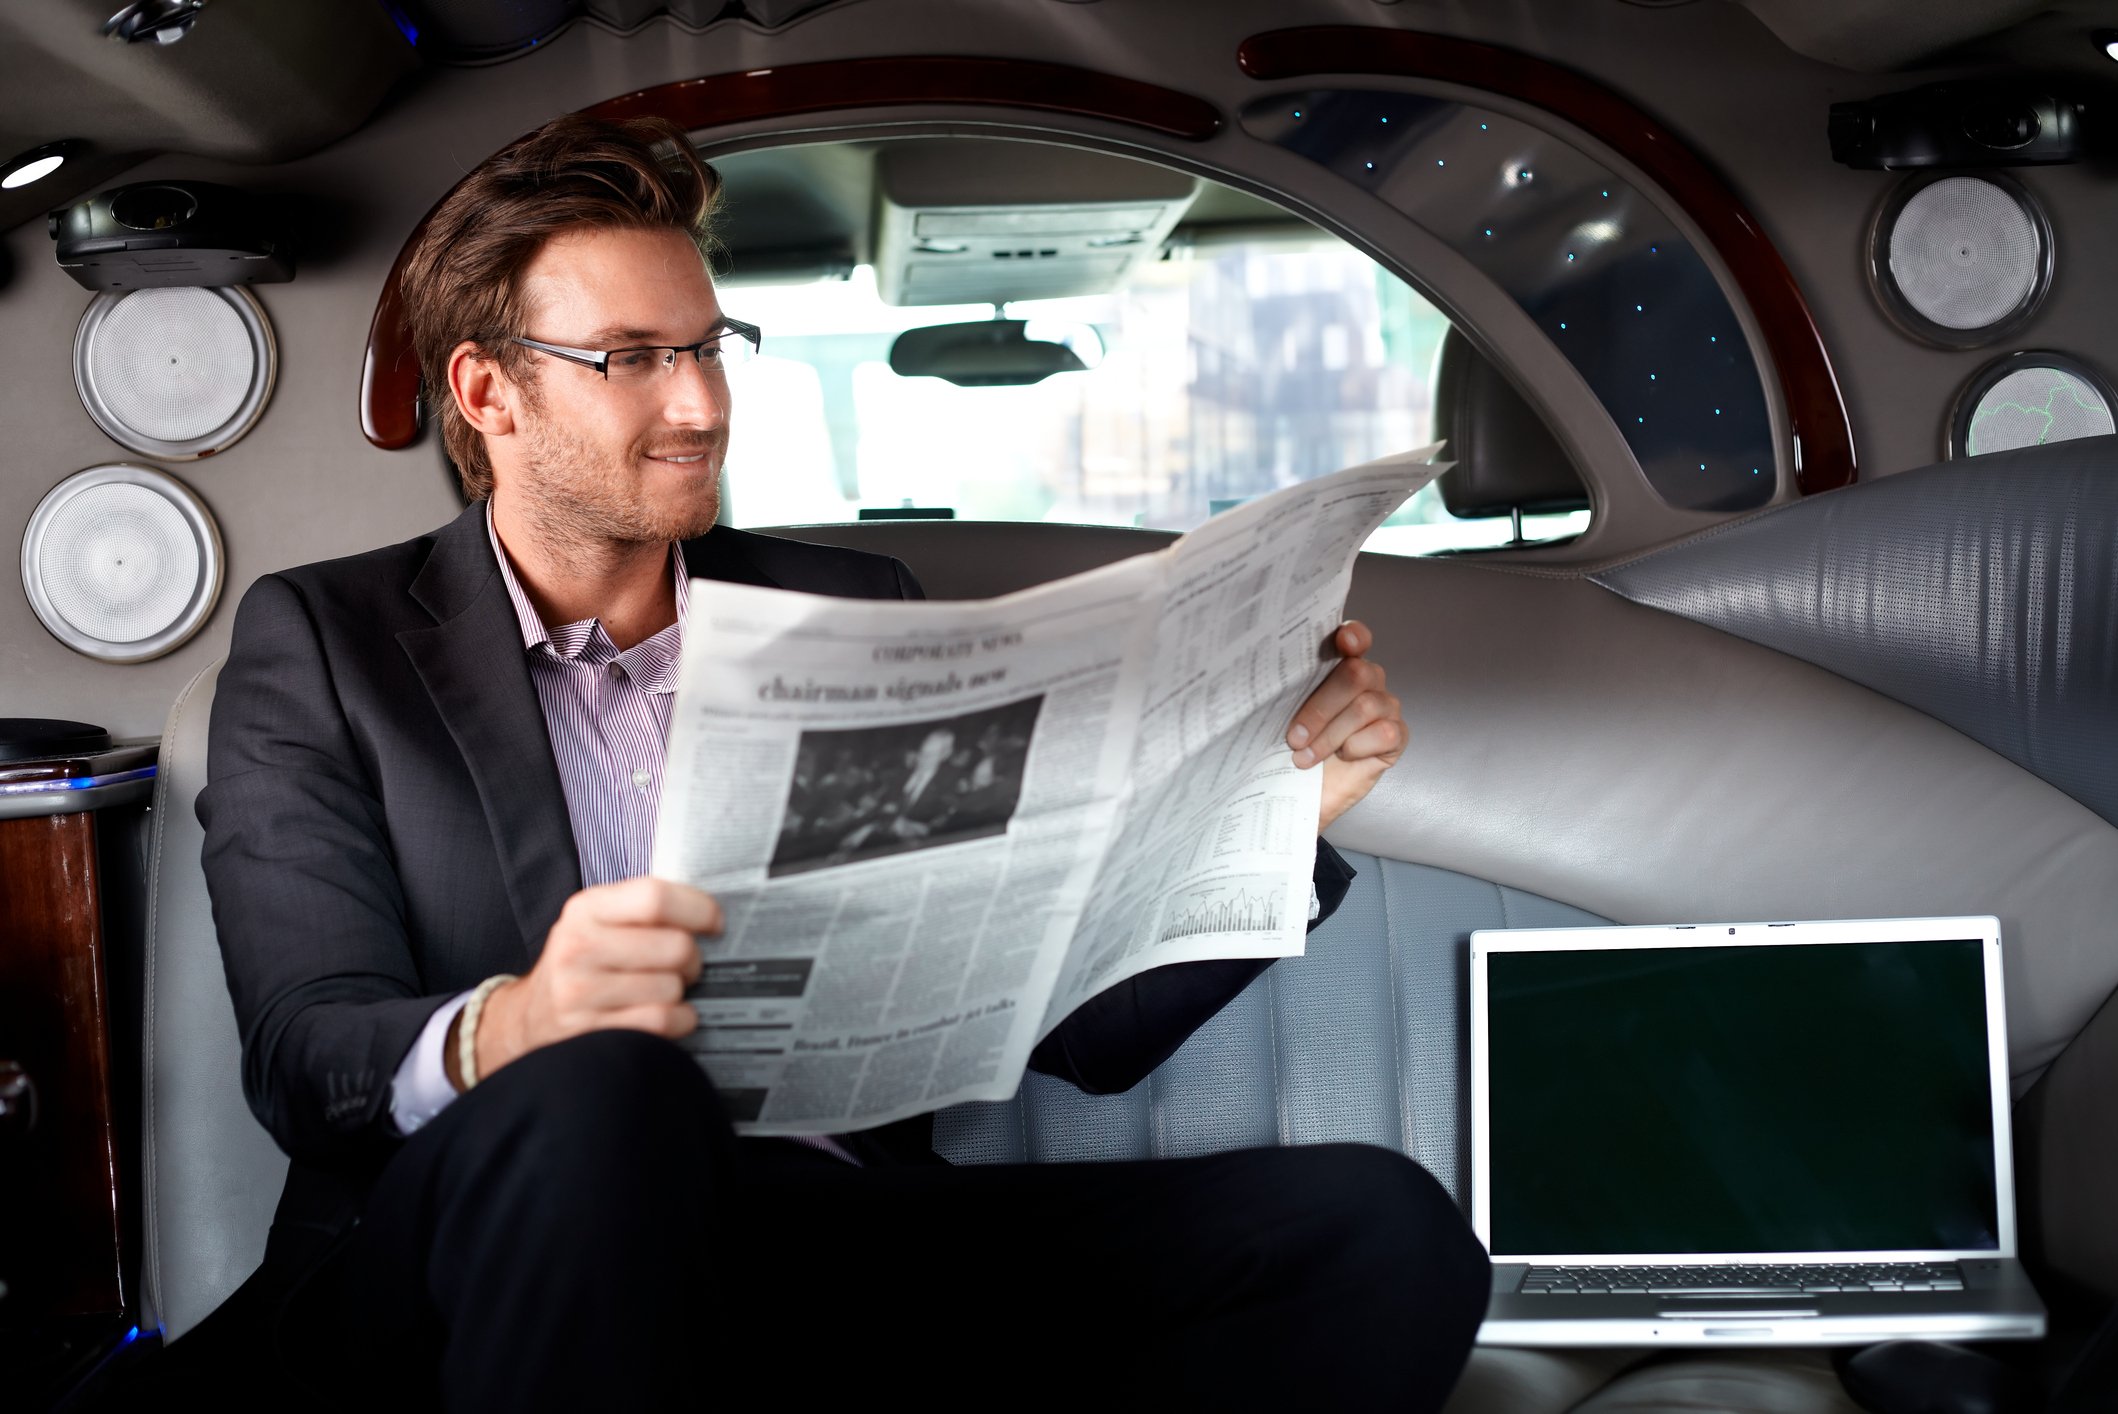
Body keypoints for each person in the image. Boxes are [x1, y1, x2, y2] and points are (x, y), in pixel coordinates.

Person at [194, 112, 1489, 1410]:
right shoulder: (325, 643)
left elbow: (1078, 1027)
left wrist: (1277, 813)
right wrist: (516, 1025)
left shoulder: (857, 605)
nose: (699, 404)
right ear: (488, 393)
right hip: (489, 1252)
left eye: (706, 346)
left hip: (822, 1237)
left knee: (1377, 1231)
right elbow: (311, 1062)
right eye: (631, 358)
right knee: (605, 1092)